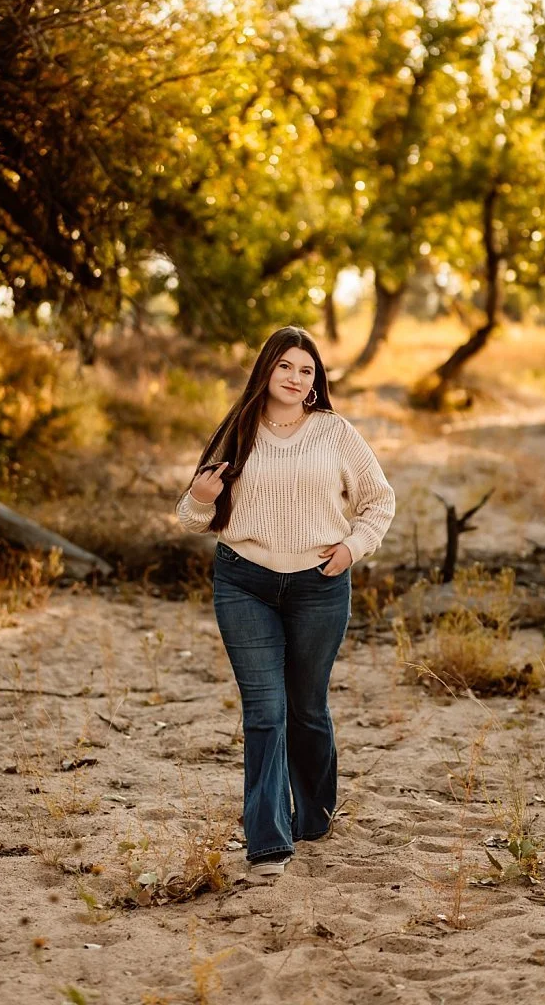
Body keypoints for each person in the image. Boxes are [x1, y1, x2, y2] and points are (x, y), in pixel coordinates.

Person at [176, 326, 396, 879]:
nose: (297, 379)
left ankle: (315, 816)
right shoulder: (238, 431)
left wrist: (353, 548)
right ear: (265, 371)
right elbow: (192, 516)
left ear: (316, 380)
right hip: (243, 582)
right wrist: (201, 499)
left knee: (307, 708)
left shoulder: (335, 433)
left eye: (307, 370)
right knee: (265, 712)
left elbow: (379, 500)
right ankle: (269, 842)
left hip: (318, 585)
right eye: (286, 368)